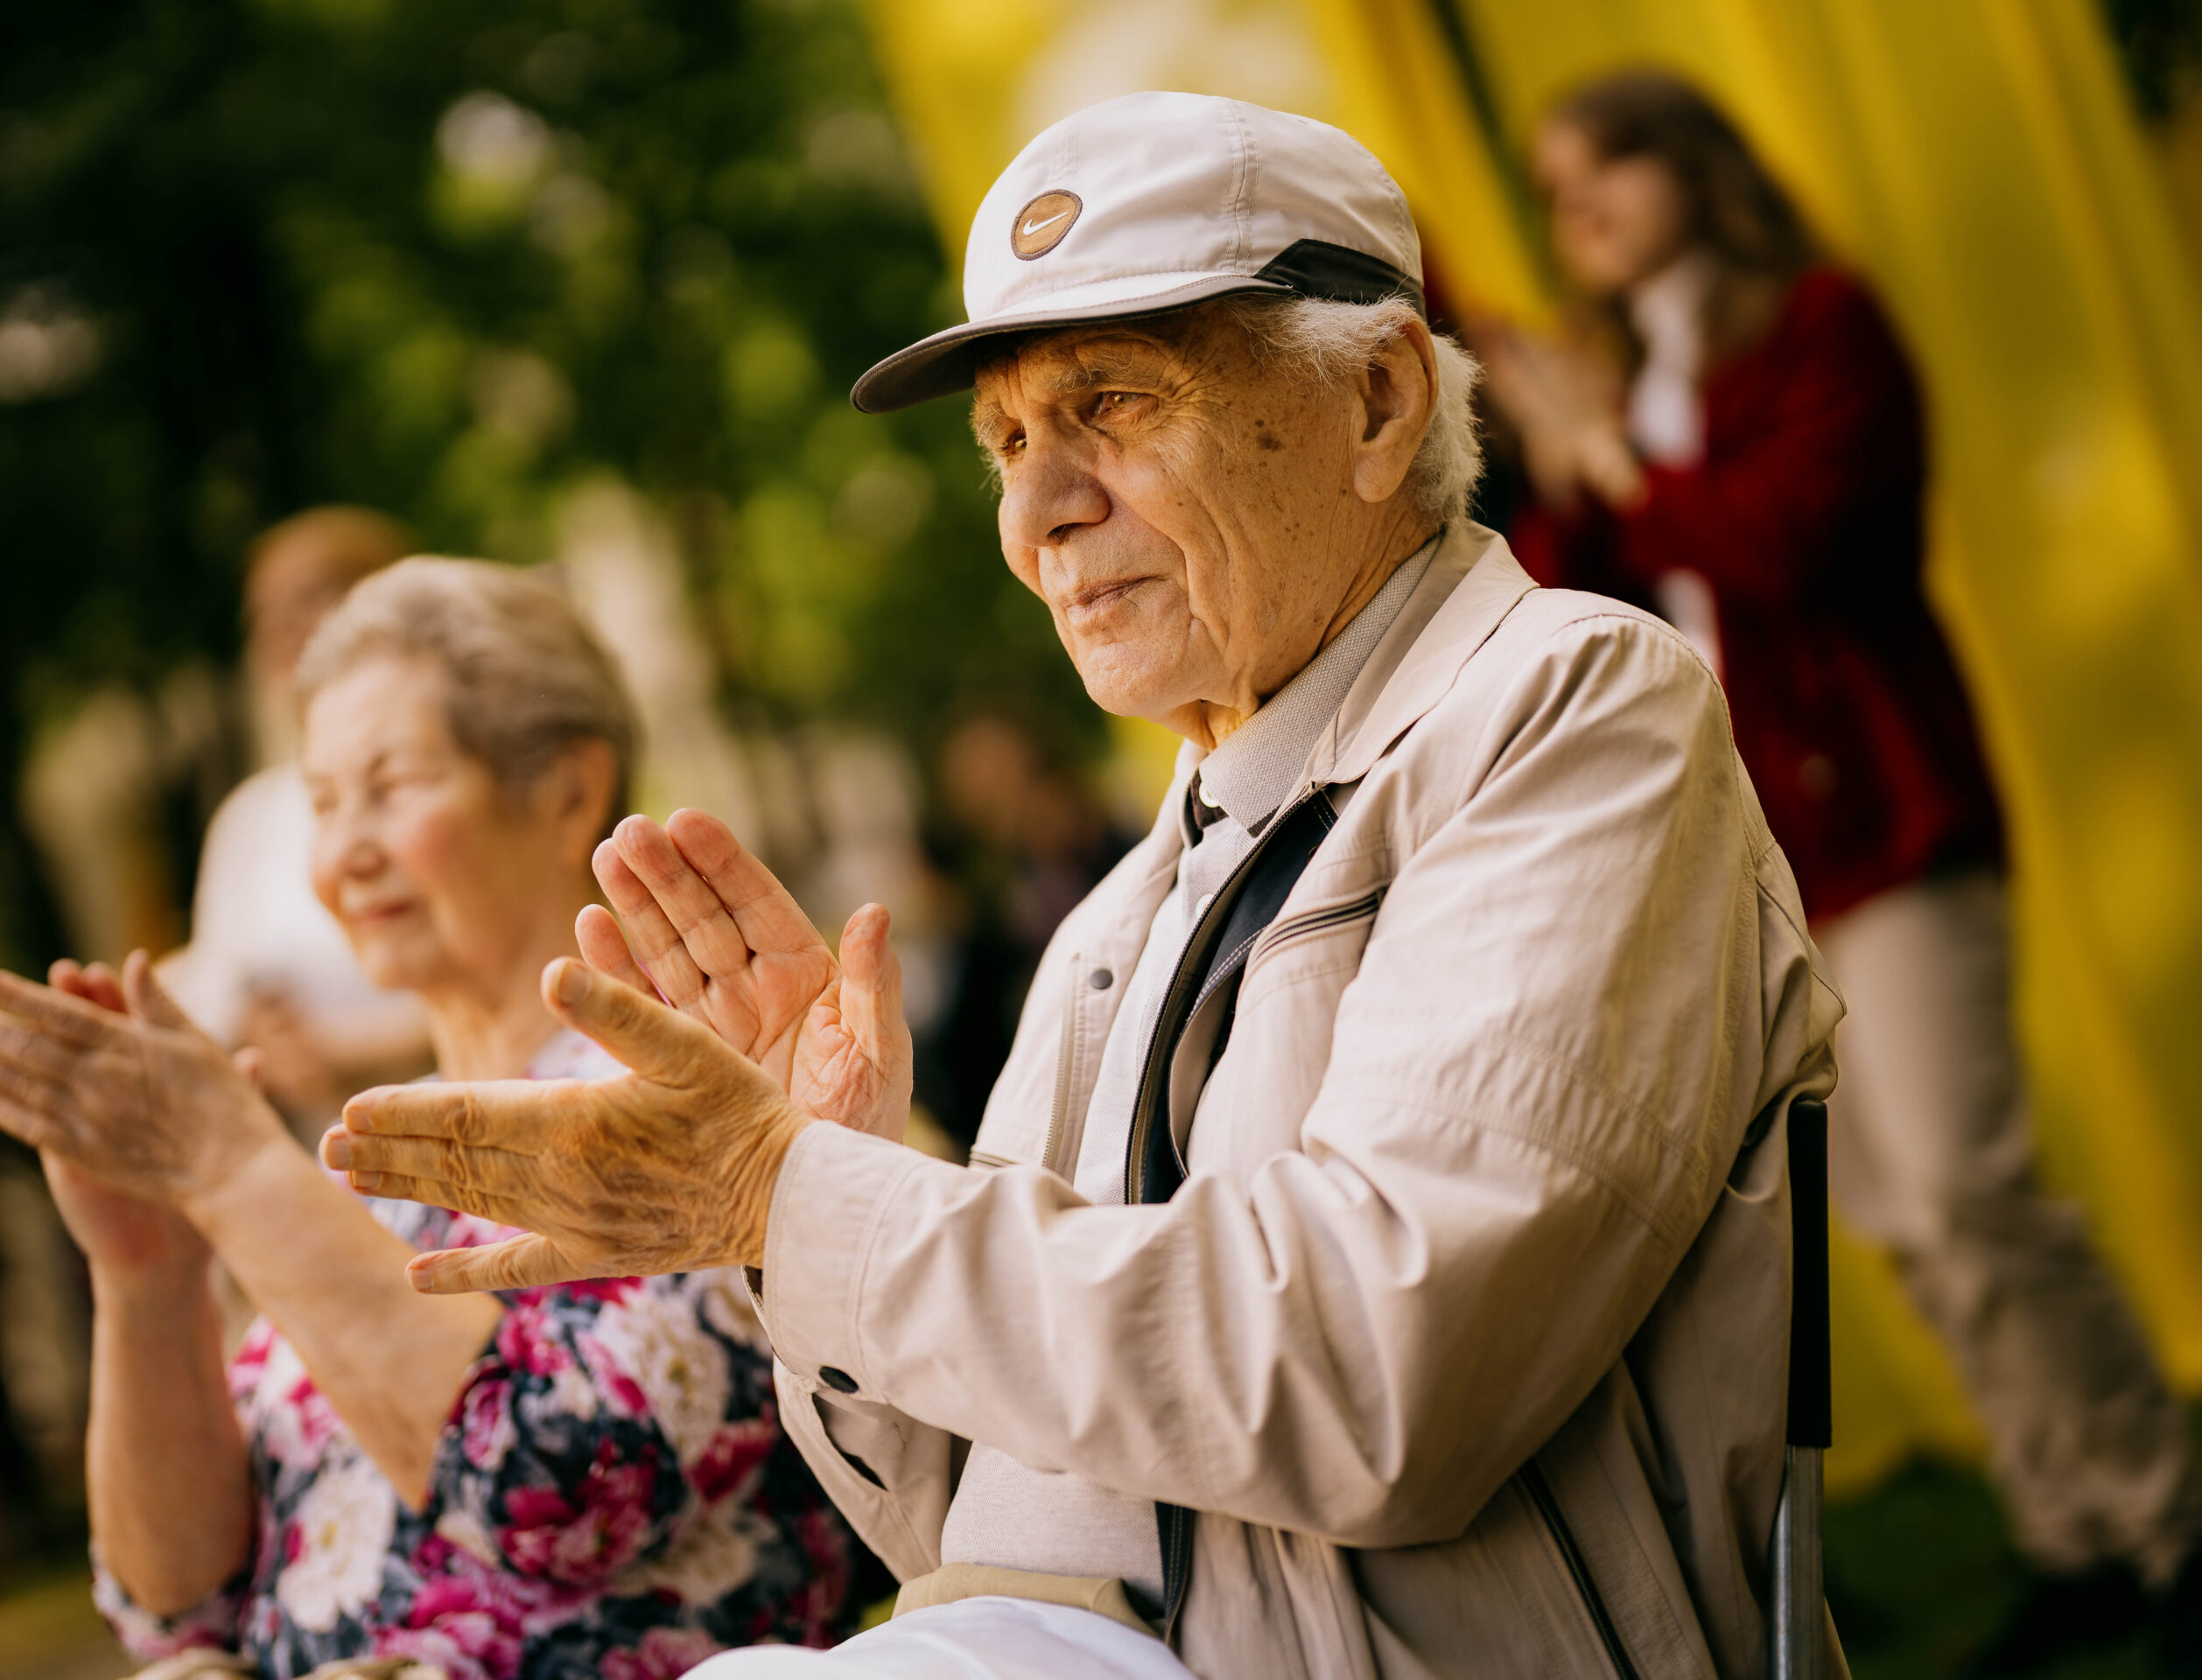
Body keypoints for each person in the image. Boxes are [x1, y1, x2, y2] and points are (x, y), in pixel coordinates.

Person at [319, 93, 1841, 1678]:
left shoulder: (1575, 705)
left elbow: (1379, 1382)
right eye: (1006, 442)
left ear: (1380, 402)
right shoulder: (1125, 913)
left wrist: (800, 1199)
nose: (1036, 513)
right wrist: (805, 1208)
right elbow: (954, 1519)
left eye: (1111, 404)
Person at [1477, 68, 2202, 1676]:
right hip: (1757, 855)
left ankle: (2173, 1526)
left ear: (1694, 162)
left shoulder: (1820, 323)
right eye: (1554, 184)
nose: (1579, 204)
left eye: (1606, 162)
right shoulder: (1638, 372)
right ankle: (2075, 1528)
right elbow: (1583, 594)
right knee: (1898, 1215)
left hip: (1889, 821)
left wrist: (1605, 452)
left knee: (1976, 1187)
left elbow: (1785, 538)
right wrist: (1557, 473)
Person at [0, 560, 867, 1679]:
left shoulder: (712, 1098)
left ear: (564, 792)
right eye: (321, 802)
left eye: (392, 785)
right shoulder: (374, 1169)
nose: (344, 852)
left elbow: (560, 1491)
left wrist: (226, 1164)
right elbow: (174, 1606)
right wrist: (148, 1274)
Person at [160, 507, 431, 1142]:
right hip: (326, 1155)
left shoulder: (460, 775)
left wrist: (349, 1053)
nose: (285, 626)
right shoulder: (249, 819)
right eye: (262, 613)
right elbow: (218, 983)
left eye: (314, 593)